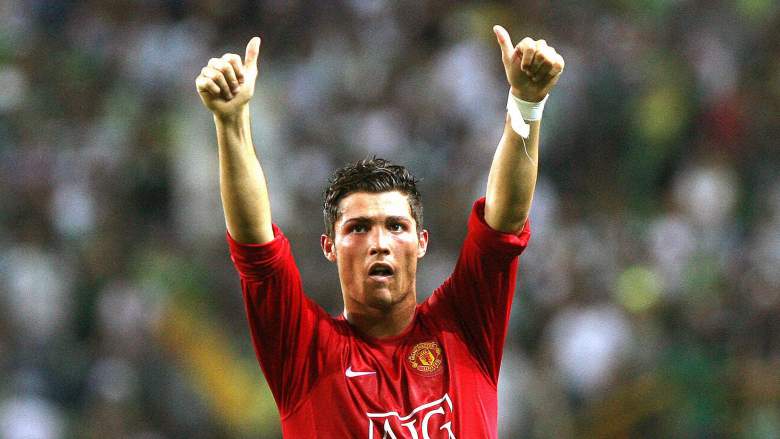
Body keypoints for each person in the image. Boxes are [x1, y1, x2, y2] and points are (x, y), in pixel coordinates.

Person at [195, 25, 564, 438]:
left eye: (396, 226)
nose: (379, 243)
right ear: (329, 247)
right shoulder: (305, 353)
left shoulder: (463, 328)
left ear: (422, 242)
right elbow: (256, 248)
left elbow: (504, 224)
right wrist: (231, 122)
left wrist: (527, 104)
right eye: (358, 228)